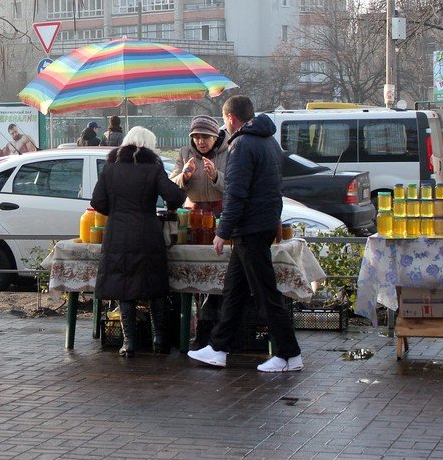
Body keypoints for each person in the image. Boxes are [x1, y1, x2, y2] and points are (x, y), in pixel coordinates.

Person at [188, 95, 302, 373]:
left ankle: (289, 355)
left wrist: (222, 231)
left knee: (265, 294)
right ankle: (218, 348)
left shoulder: (241, 145)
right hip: (262, 224)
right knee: (234, 291)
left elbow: (236, 193)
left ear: (229, 118)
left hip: (249, 229)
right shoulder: (269, 141)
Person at [90, 126, 186, 356]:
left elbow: (97, 201)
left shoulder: (111, 167)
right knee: (155, 286)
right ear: (148, 145)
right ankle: (160, 340)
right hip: (147, 232)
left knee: (124, 289)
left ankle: (129, 343)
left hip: (117, 234)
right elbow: (174, 197)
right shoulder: (153, 168)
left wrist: (116, 211)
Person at [170, 114, 228, 348]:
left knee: (217, 270)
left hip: (220, 216)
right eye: (196, 137)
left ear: (215, 137)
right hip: (192, 217)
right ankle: (192, 325)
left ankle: (210, 326)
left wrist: (215, 176)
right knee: (191, 271)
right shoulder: (185, 153)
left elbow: (233, 184)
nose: (200, 141)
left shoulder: (228, 152)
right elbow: (171, 182)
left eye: (205, 137)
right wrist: (184, 176)